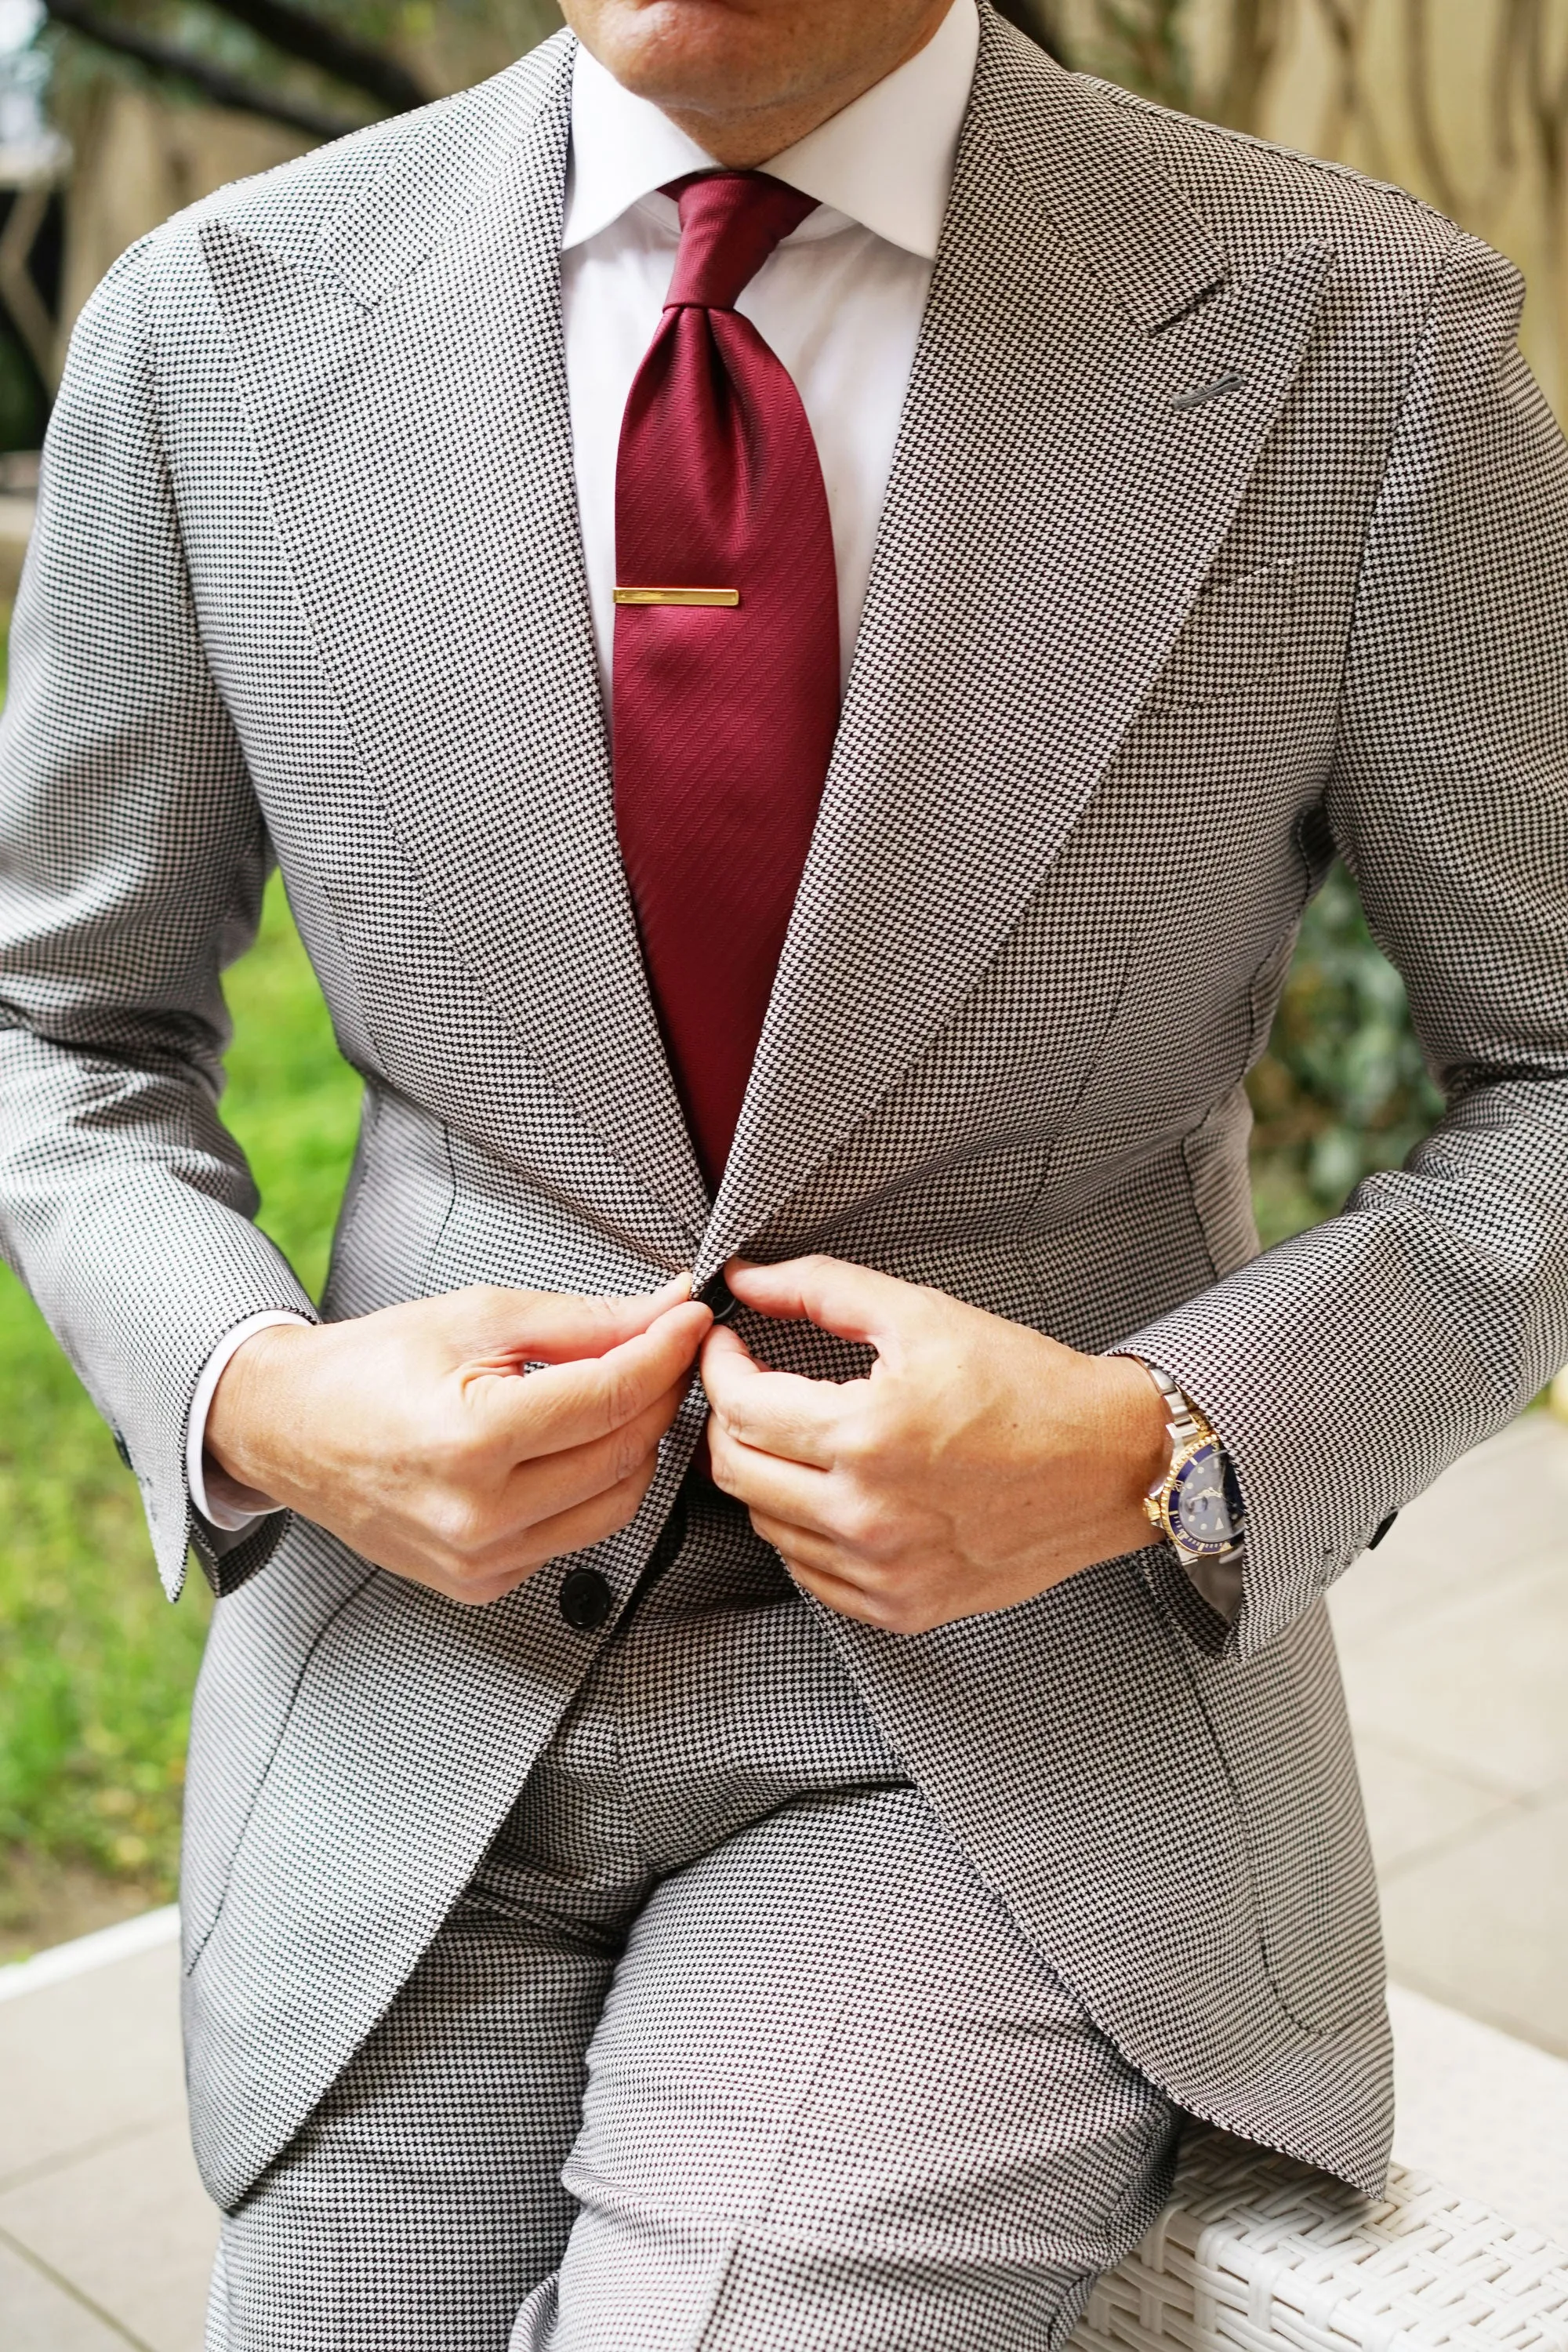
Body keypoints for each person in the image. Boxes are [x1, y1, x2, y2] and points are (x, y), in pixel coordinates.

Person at [2, 0, 1566, 2340]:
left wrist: (1171, 1441)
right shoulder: (214, 328)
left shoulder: (1361, 337)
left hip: (1011, 1733)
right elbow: (59, 1022)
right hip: (413, 1699)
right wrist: (253, 1393)